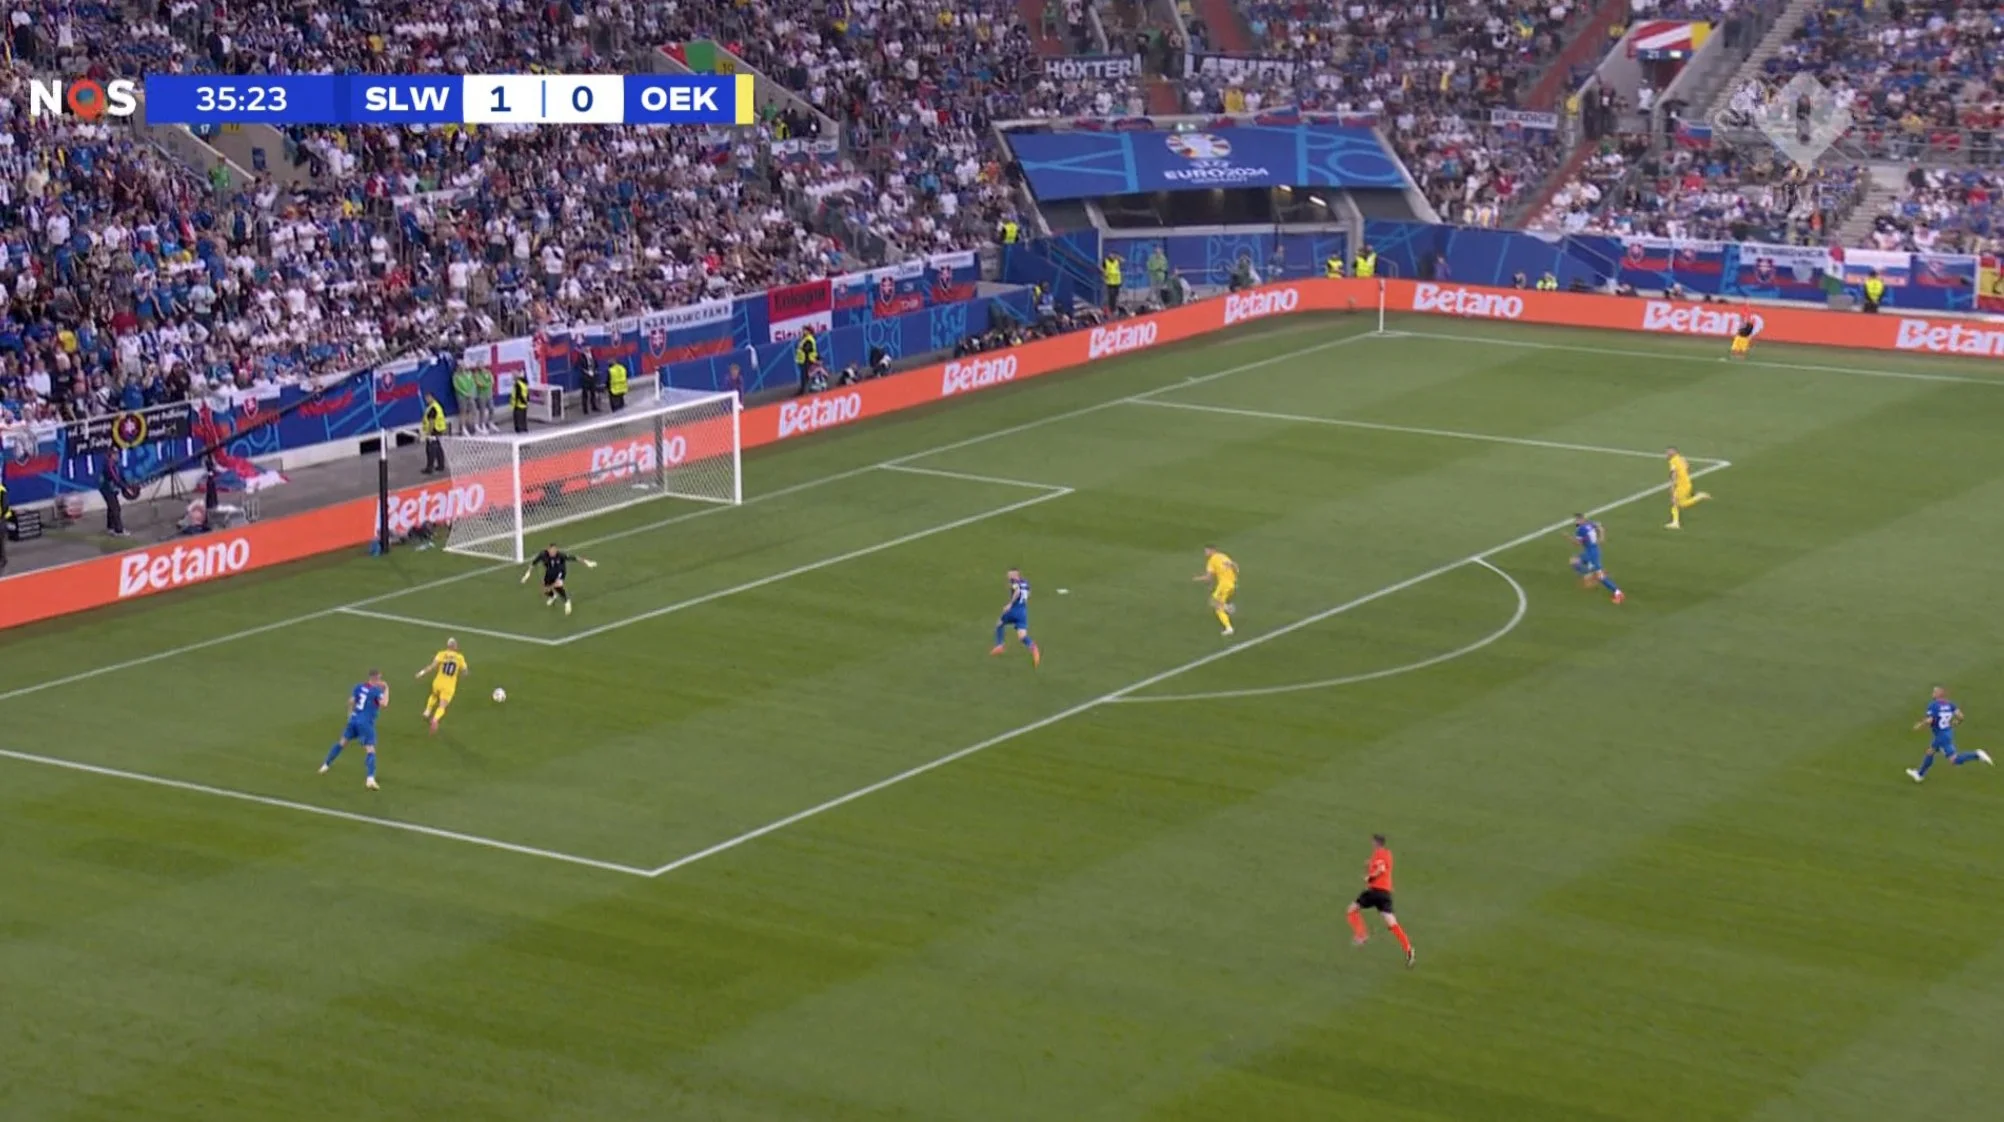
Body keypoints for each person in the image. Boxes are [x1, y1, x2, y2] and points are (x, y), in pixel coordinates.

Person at [1345, 834, 1415, 967]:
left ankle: (1361, 935)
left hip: (1375, 891)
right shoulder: (1388, 854)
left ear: (1375, 843)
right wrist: (1369, 865)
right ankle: (1408, 948)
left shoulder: (1378, 853)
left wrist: (1370, 877)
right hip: (1385, 894)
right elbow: (1383, 866)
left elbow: (1381, 869)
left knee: (1351, 910)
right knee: (1392, 923)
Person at [320, 669, 389, 790]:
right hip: (366, 723)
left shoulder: (359, 687)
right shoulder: (376, 691)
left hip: (354, 720)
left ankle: (325, 765)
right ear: (376, 678)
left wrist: (350, 715)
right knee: (370, 750)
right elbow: (384, 704)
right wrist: (387, 689)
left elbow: (351, 701)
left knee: (342, 743)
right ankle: (370, 779)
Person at [1908, 686, 1992, 782]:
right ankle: (1920, 774)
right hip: (1947, 732)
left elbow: (1930, 720)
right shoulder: (1950, 704)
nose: (1932, 694)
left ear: (1938, 694)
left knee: (1954, 760)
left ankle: (1976, 755)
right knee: (1930, 751)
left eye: (1934, 692)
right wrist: (1956, 722)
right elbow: (1960, 716)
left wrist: (1919, 725)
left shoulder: (1933, 705)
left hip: (1941, 736)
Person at [522, 542, 597, 616]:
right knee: (545, 590)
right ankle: (552, 596)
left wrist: (587, 562)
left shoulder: (560, 555)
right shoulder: (542, 555)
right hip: (549, 572)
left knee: (557, 586)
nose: (553, 552)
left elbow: (575, 558)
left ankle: (567, 602)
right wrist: (527, 573)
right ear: (548, 549)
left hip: (560, 572)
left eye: (555, 551)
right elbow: (533, 563)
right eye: (551, 550)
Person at [416, 638, 469, 735]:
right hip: (449, 686)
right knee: (442, 705)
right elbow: (465, 671)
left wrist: (421, 673)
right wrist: (462, 675)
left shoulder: (441, 654)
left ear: (448, 646)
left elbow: (432, 666)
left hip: (438, 682)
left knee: (434, 695)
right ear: (455, 646)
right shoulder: (460, 657)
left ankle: (427, 711)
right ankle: (435, 719)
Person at [990, 568, 1042, 666]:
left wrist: (1010, 604)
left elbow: (1017, 591)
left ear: (1015, 574)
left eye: (1010, 574)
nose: (1008, 576)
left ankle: (999, 645)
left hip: (1013, 610)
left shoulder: (1014, 582)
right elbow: (1028, 593)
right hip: (1023, 611)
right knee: (1022, 636)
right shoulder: (1025, 583)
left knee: (999, 624)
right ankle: (1033, 647)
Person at [1570, 514, 1624, 604]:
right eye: (1576, 520)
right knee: (1574, 561)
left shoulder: (1580, 530)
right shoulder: (1590, 524)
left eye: (1578, 520)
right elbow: (1601, 527)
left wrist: (1568, 538)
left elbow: (1577, 543)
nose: (1576, 522)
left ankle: (1618, 593)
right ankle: (1590, 574)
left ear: (1582, 519)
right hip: (1592, 551)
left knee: (1600, 576)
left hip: (1591, 554)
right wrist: (1602, 537)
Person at [1194, 545, 1238, 636]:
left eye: (1207, 551)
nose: (1205, 553)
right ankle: (1228, 626)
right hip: (1231, 584)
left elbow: (1208, 577)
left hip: (1224, 585)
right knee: (1217, 607)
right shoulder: (1223, 556)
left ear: (1212, 550)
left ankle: (1228, 609)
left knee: (1214, 603)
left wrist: (1198, 579)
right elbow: (1235, 566)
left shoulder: (1212, 560)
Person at [1664, 446, 1710, 529]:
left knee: (1679, 503)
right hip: (1687, 483)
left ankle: (1699, 497)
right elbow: (1687, 466)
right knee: (1675, 503)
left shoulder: (1673, 461)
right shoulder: (1681, 459)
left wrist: (1672, 486)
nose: (1666, 454)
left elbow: (1673, 474)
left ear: (1672, 453)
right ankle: (1675, 522)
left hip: (1681, 485)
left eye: (1667, 453)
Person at [99, 455, 127, 536]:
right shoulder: (109, 465)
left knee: (111, 507)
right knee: (115, 508)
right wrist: (125, 487)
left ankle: (110, 527)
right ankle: (119, 530)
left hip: (111, 489)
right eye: (116, 454)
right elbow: (115, 478)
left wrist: (126, 484)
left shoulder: (116, 464)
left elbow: (121, 476)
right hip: (106, 488)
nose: (118, 456)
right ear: (112, 456)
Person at [421, 394, 449, 475]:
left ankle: (429, 468)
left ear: (432, 397)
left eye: (427, 398)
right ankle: (441, 465)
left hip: (433, 431)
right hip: (439, 430)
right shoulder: (437, 405)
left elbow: (431, 422)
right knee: (439, 448)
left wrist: (428, 433)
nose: (426, 400)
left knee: (430, 450)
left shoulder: (432, 408)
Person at [452, 362, 478, 435]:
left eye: (464, 366)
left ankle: (472, 426)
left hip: (470, 395)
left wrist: (471, 393)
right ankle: (463, 428)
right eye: (461, 366)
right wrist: (464, 393)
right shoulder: (456, 376)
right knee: (463, 412)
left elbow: (473, 384)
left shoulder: (469, 374)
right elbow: (456, 386)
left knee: (473, 411)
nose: (462, 367)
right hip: (461, 396)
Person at [472, 363, 497, 434]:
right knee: (482, 411)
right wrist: (488, 384)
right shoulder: (476, 374)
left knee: (492, 409)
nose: (480, 367)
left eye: (481, 365)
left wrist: (487, 384)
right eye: (479, 366)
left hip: (489, 394)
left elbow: (492, 381)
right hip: (481, 395)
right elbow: (479, 384)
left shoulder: (488, 372)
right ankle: (482, 425)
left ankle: (490, 422)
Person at [794, 330, 819, 394]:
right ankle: (805, 389)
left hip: (807, 361)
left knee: (806, 376)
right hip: (803, 361)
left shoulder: (809, 339)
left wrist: (801, 348)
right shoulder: (803, 339)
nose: (803, 332)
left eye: (805, 331)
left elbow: (808, 350)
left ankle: (805, 390)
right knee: (806, 376)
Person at [579, 347, 603, 414]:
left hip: (593, 377)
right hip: (585, 378)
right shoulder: (582, 358)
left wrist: (595, 371)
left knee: (593, 392)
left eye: (589, 350)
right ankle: (585, 409)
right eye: (586, 350)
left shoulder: (593, 357)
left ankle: (594, 406)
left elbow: (596, 365)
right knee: (585, 394)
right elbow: (581, 367)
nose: (588, 351)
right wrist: (587, 372)